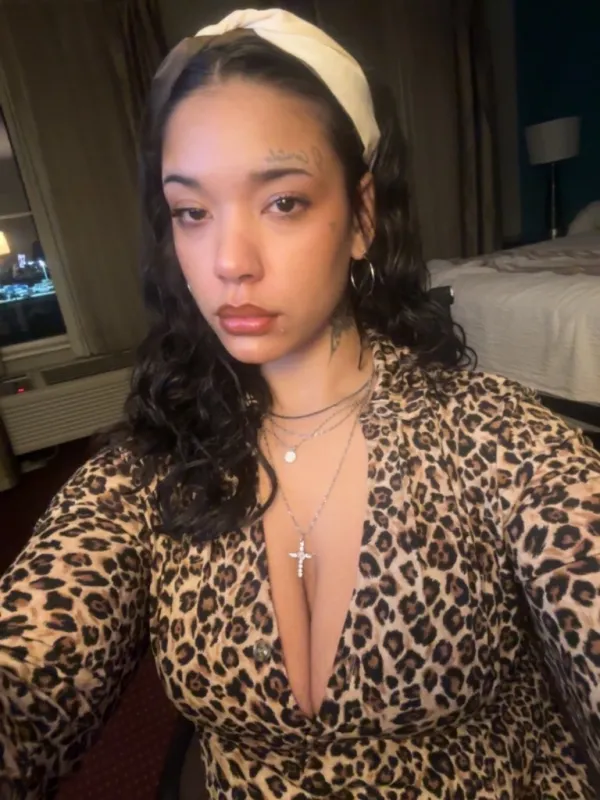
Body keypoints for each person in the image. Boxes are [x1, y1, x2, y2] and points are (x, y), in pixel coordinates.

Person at [1, 8, 600, 799]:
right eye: (192, 212)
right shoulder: (155, 459)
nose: (229, 262)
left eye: (282, 201)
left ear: (361, 216)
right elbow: (31, 663)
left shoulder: (493, 435)